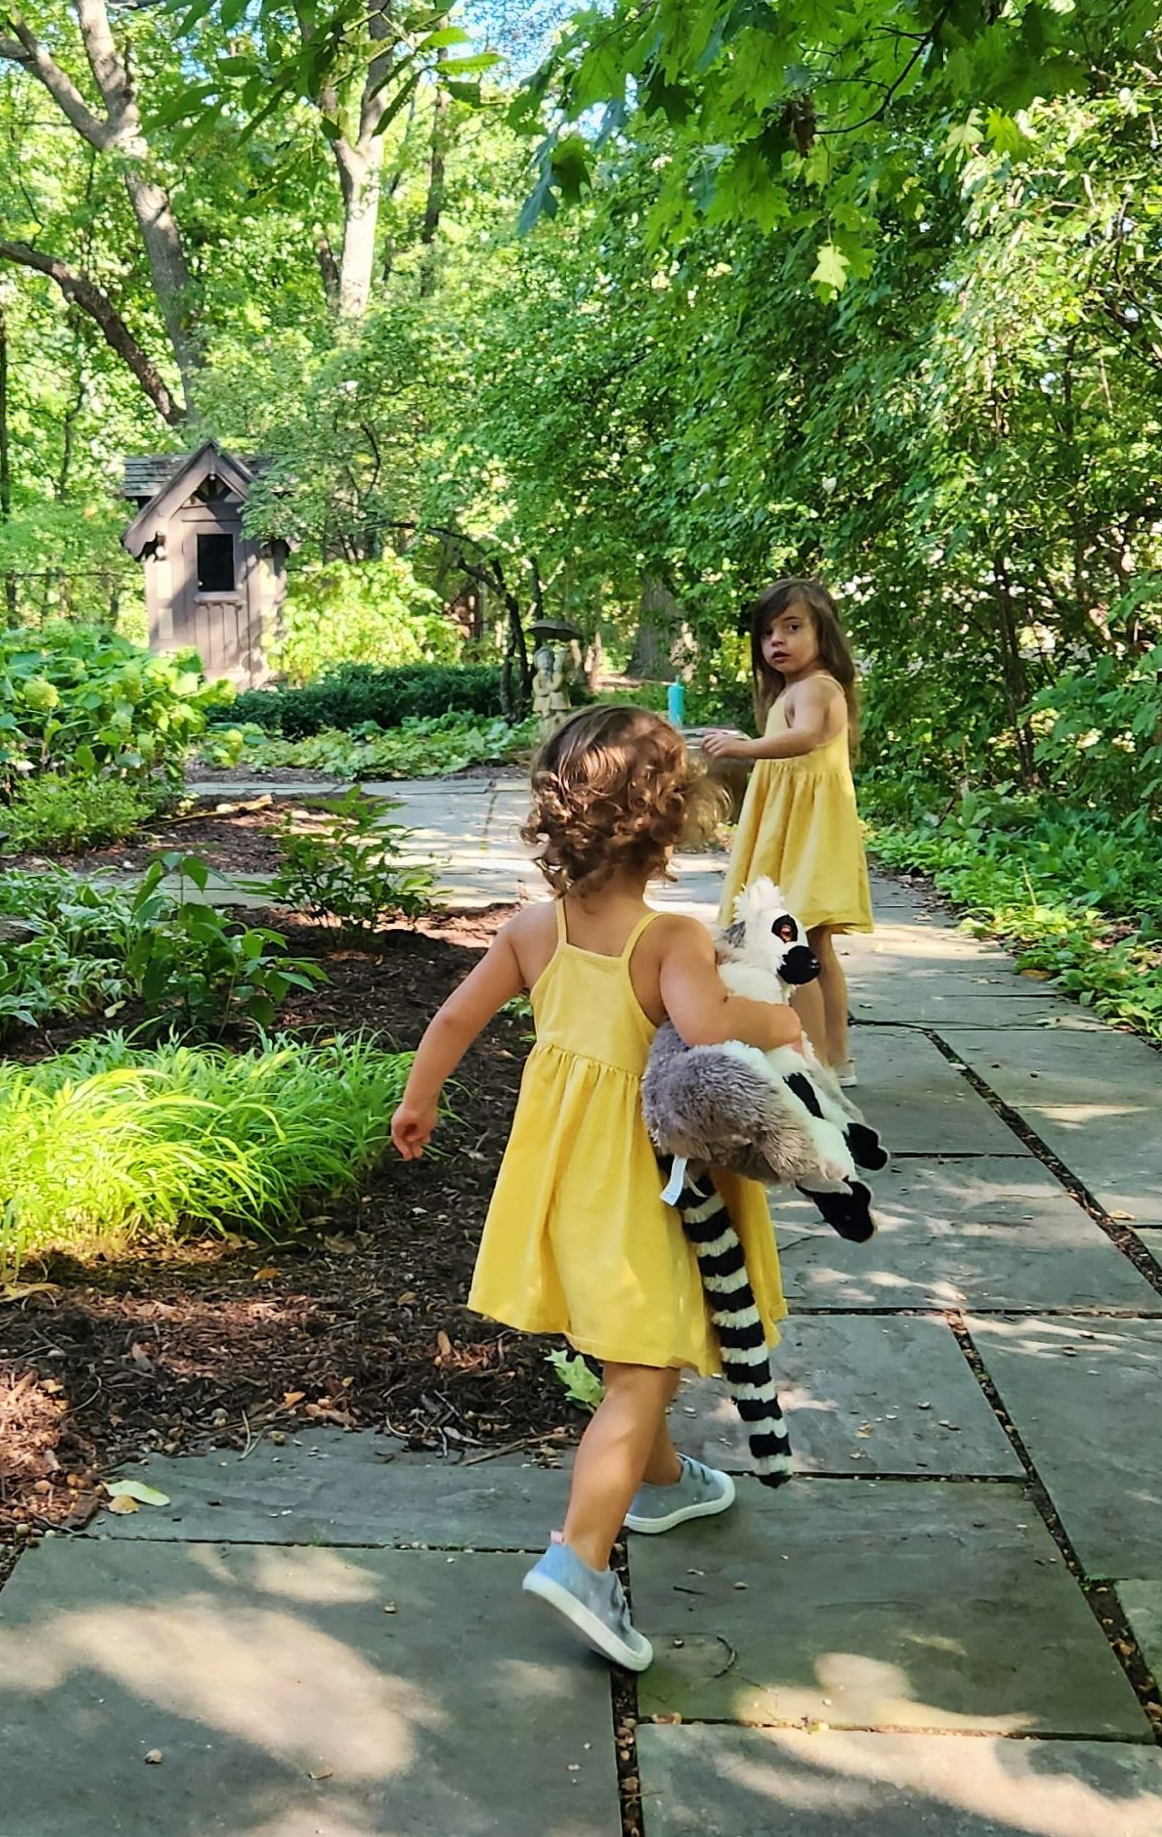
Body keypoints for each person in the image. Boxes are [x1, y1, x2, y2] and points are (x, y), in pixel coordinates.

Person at [390, 706, 801, 1671]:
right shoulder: (671, 939)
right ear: (668, 824)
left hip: (563, 1177)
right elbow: (708, 1031)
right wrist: (776, 1019)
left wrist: (420, 1102)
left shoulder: (535, 927)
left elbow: (454, 1018)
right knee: (644, 1366)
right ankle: (580, 1557)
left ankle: (660, 1478)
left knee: (629, 1344)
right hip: (645, 1184)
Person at [697, 576, 874, 1084]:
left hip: (808, 835)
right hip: (797, 829)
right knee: (813, 946)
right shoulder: (795, 690)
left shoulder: (817, 688)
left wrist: (742, 747)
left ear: (824, 635)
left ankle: (815, 1061)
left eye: (792, 628)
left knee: (799, 944)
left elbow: (807, 737)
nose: (777, 641)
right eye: (768, 633)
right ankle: (835, 1059)